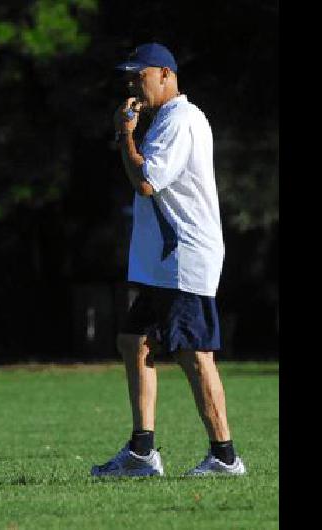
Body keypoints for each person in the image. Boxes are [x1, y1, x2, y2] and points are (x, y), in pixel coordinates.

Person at [91, 43, 246, 477]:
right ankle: (142, 454)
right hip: (162, 262)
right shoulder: (166, 120)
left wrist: (125, 135)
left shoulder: (182, 120)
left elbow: (146, 181)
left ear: (164, 74)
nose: (132, 84)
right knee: (133, 340)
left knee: (196, 356)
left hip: (183, 259)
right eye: (130, 77)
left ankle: (225, 456)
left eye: (139, 76)